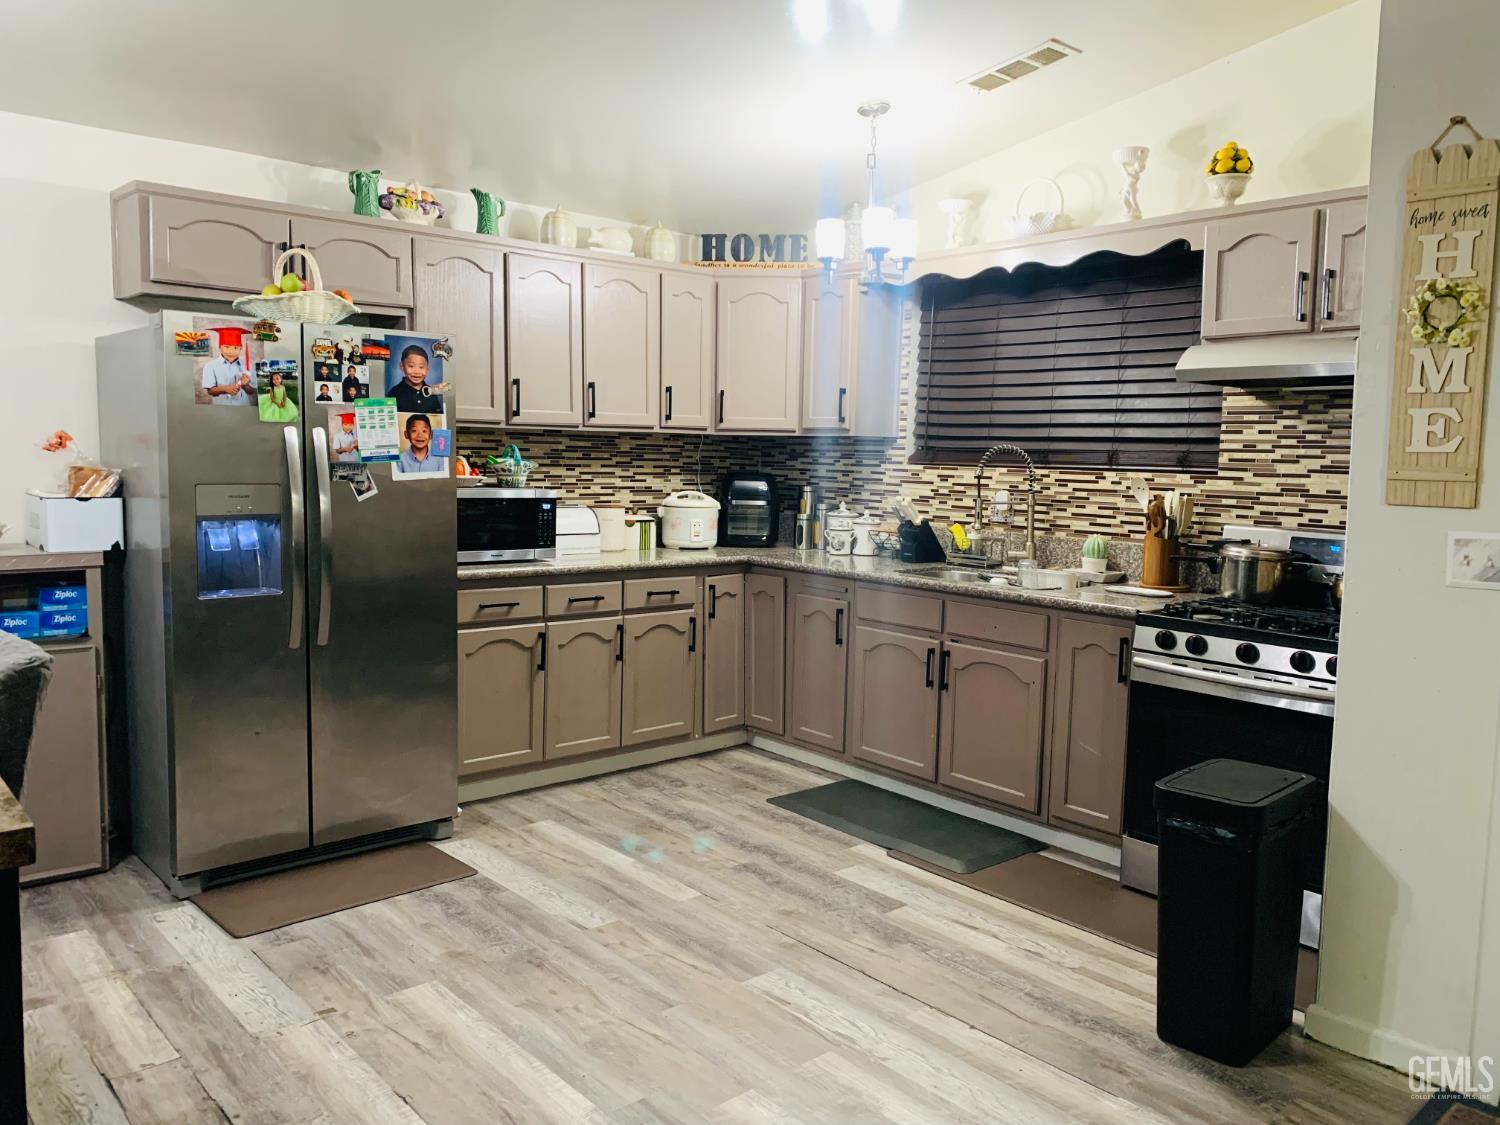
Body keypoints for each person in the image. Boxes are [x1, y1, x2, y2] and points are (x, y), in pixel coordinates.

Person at [202, 326, 254, 405]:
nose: (231, 351)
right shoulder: (210, 366)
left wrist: (245, 385)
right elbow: (210, 391)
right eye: (226, 347)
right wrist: (225, 389)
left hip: (243, 405)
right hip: (221, 406)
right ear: (220, 347)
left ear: (241, 348)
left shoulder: (248, 366)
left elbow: (251, 391)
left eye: (236, 348)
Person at [389, 344, 443, 412]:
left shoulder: (431, 392)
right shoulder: (394, 393)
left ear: (427, 369)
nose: (417, 371)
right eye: (411, 366)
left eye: (421, 367)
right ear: (402, 367)